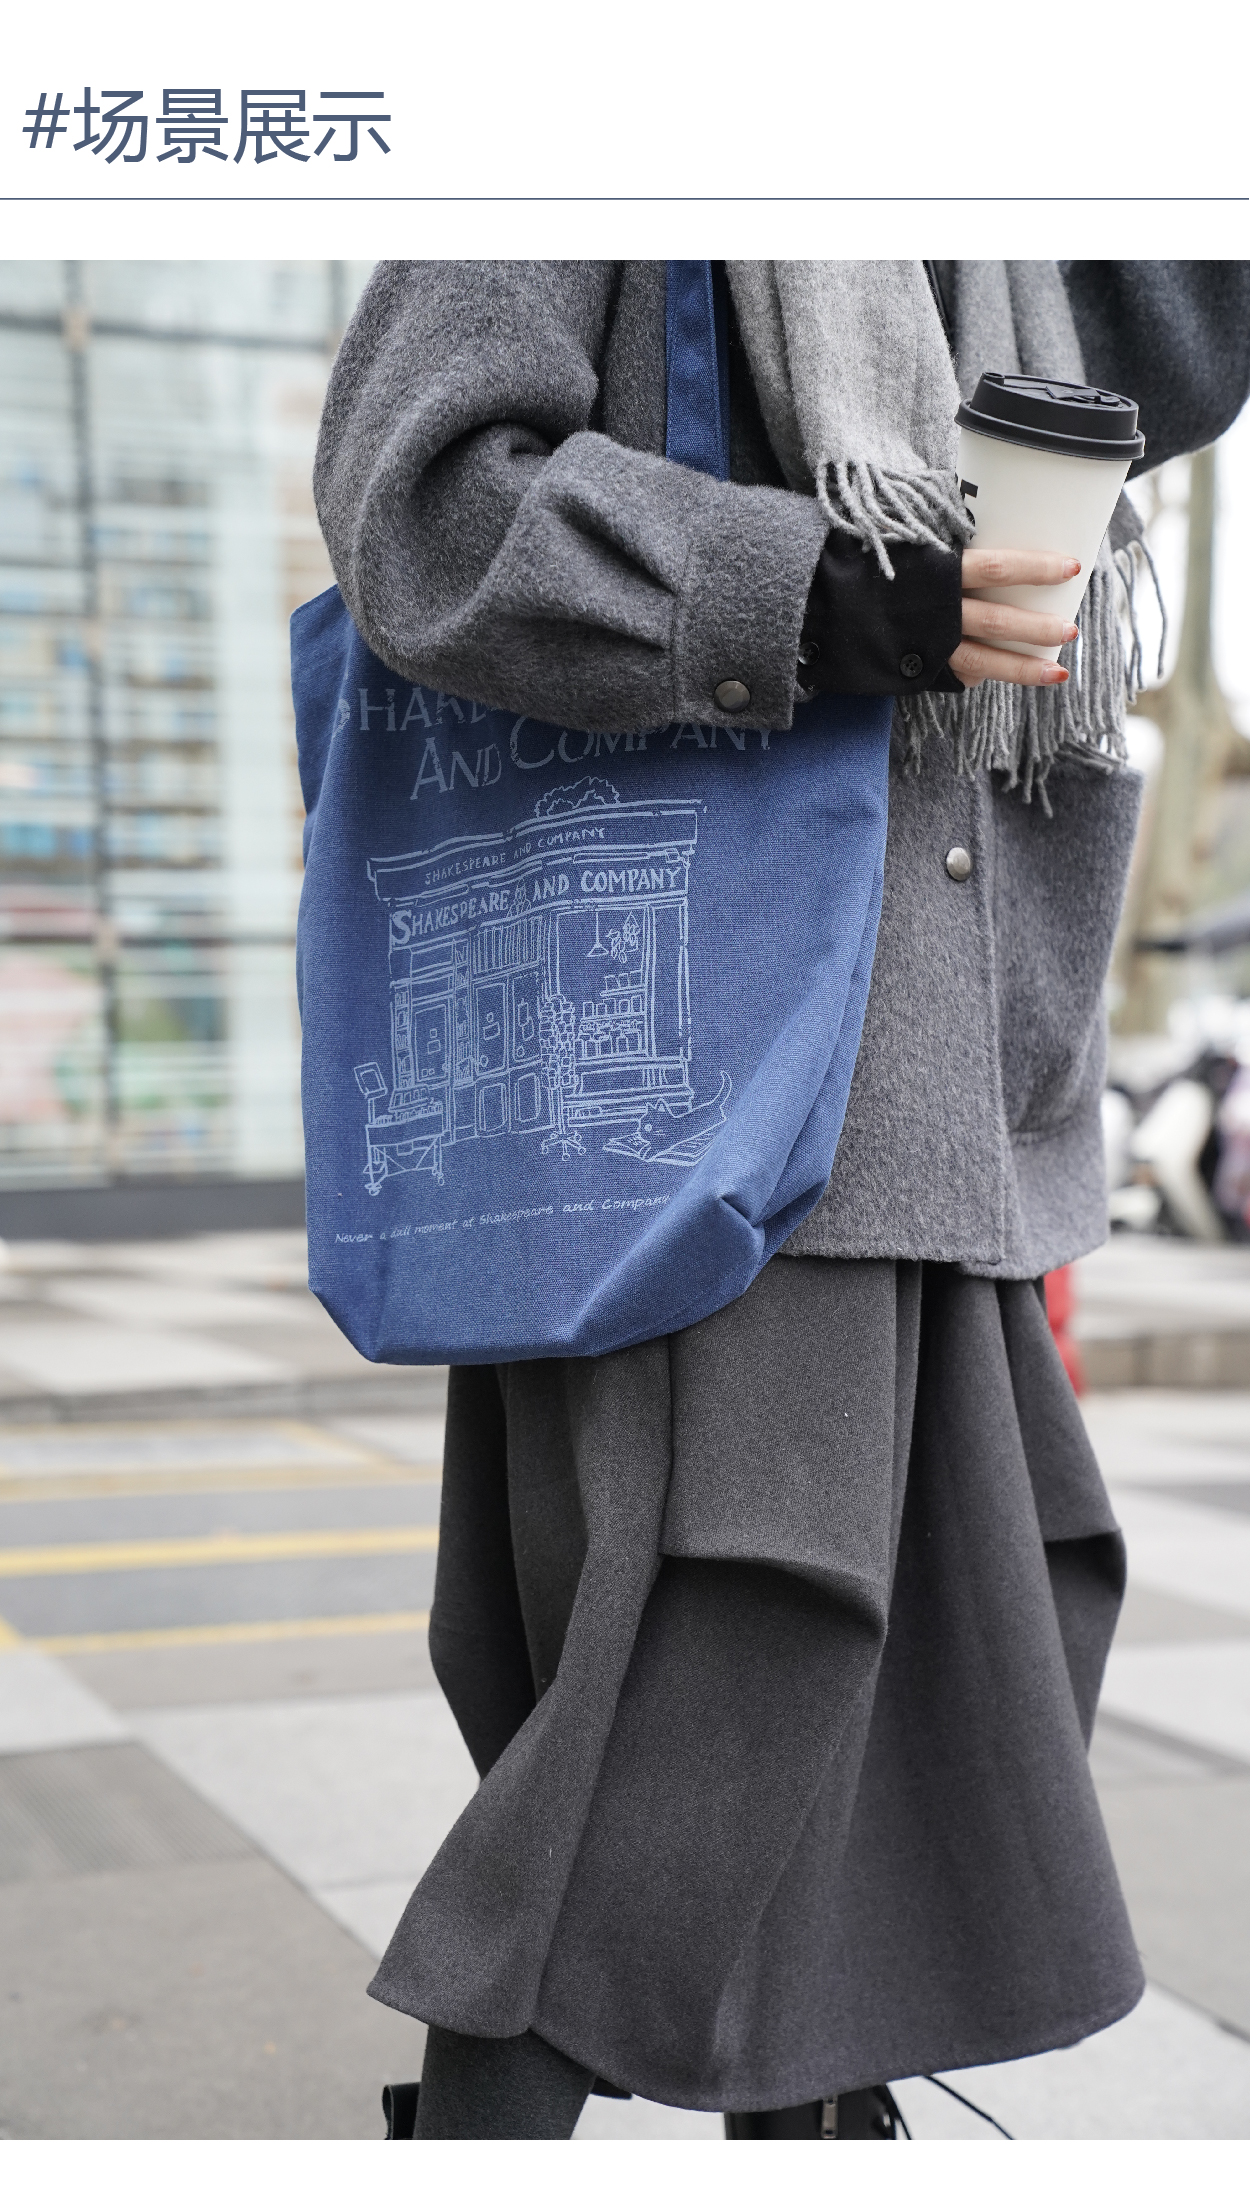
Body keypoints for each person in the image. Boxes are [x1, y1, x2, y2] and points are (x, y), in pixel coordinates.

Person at [313, 260, 1250, 2140]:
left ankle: (808, 2119)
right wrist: (806, 590)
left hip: (943, 1065)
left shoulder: (991, 201)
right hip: (705, 1058)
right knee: (727, 1656)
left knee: (939, 1658)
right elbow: (414, 496)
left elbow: (1171, 346)